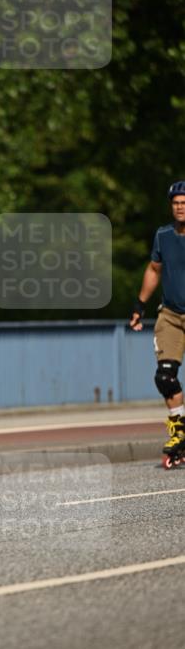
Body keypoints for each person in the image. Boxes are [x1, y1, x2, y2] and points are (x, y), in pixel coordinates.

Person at [129, 180, 185, 466]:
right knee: (165, 377)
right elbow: (154, 270)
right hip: (171, 316)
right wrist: (139, 306)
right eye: (176, 203)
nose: (180, 207)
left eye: (184, 203)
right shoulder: (163, 235)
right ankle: (180, 433)